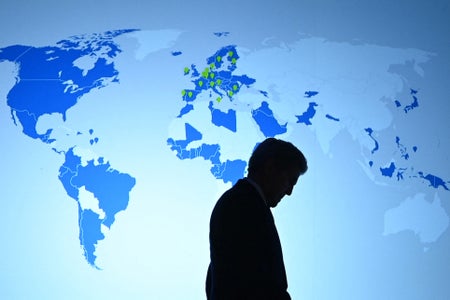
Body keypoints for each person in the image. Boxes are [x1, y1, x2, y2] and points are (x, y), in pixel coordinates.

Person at [206, 137, 308, 299]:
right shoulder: (243, 204)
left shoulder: (241, 202)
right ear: (270, 168)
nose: (289, 192)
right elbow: (257, 281)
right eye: (290, 181)